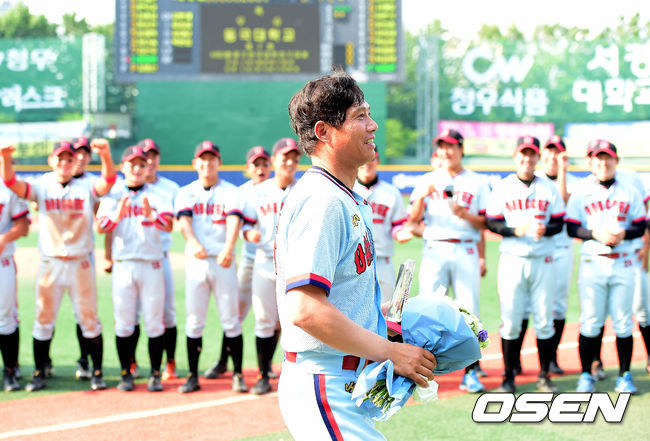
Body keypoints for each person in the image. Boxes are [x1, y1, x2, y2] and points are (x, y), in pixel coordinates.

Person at [276, 71, 435, 440]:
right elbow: (305, 309)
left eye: (369, 114)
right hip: (324, 381)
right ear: (324, 132)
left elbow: (336, 297)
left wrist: (382, 316)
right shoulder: (323, 200)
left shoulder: (342, 197)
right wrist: (390, 352)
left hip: (343, 381)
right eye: (360, 116)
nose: (372, 125)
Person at [0, 140, 116, 392]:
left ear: (75, 163)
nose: (64, 163)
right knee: (43, 319)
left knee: (89, 319)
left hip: (80, 262)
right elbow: (11, 183)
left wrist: (106, 155)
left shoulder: (85, 186)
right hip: (51, 262)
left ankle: (96, 373)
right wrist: (6, 159)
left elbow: (108, 181)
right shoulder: (42, 185)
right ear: (51, 161)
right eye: (60, 158)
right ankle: (39, 373)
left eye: (69, 159)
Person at [407, 129, 489, 393]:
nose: (446, 151)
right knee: (428, 310)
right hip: (435, 247)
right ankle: (425, 373)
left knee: (469, 310)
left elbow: (485, 223)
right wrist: (422, 195)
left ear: (461, 149)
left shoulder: (477, 182)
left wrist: (465, 215)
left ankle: (471, 372)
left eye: (451, 146)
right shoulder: (428, 179)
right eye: (441, 146)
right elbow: (412, 220)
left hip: (466, 248)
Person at [485, 136, 565, 394]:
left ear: (537, 157)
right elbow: (492, 222)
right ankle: (508, 377)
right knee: (510, 320)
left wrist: (546, 229)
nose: (527, 159)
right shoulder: (503, 187)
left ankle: (544, 375)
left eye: (532, 154)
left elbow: (559, 222)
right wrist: (513, 230)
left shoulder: (549, 188)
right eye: (523, 153)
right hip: (513, 259)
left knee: (544, 320)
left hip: (543, 260)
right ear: (515, 156)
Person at [566, 141, 646, 394]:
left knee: (623, 322)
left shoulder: (629, 191)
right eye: (598, 158)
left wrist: (624, 233)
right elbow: (571, 227)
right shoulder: (581, 191)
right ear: (590, 162)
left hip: (624, 261)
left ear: (616, 161)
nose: (603, 163)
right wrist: (595, 234)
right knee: (590, 321)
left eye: (608, 158)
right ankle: (586, 375)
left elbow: (640, 226)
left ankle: (624, 376)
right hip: (593, 261)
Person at [96, 146, 173, 392]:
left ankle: (155, 373)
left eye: (141, 164)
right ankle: (125, 373)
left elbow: (169, 225)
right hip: (124, 264)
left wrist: (153, 216)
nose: (138, 169)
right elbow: (100, 227)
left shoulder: (158, 194)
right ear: (123, 167)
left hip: (151, 264)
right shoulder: (113, 194)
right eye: (132, 165)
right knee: (124, 323)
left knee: (154, 323)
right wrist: (117, 216)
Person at [174, 141, 246, 393]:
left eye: (212, 158)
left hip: (222, 261)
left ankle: (238, 374)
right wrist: (192, 242)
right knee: (194, 321)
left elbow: (234, 220)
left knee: (231, 320)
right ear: (195, 163)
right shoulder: (186, 192)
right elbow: (184, 221)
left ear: (219, 162)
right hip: (197, 261)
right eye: (202, 159)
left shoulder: (230, 192)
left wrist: (229, 247)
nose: (207, 163)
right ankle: (192, 376)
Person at [204, 145, 272, 380]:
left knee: (273, 317)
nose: (260, 168)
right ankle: (224, 361)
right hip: (249, 261)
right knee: (235, 314)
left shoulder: (277, 190)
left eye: (264, 164)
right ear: (248, 168)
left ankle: (267, 366)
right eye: (256, 164)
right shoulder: (241, 193)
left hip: (274, 263)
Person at [241, 137, 301, 395]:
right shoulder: (258, 191)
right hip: (264, 263)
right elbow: (246, 224)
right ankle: (263, 374)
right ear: (274, 160)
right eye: (284, 157)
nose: (289, 162)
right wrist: (248, 233)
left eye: (294, 158)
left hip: (294, 265)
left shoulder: (303, 190)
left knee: (293, 321)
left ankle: (293, 373)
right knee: (264, 320)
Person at [530, 135, 579, 375]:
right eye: (549, 152)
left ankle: (551, 358)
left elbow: (562, 201)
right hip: (538, 250)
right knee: (529, 306)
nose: (552, 157)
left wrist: (563, 171)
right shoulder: (534, 181)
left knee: (558, 306)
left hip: (562, 250)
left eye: (557, 152)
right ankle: (516, 361)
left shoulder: (572, 182)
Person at [353, 150, 411, 303]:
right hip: (355, 259)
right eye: (364, 159)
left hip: (383, 260)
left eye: (372, 159)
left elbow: (397, 225)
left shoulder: (391, 192)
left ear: (377, 161)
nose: (367, 164)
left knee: (386, 307)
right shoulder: (348, 189)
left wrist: (400, 233)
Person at [0, 179, 29, 391]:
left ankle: (10, 370)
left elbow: (23, 226)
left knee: (5, 317)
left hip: (2, 261)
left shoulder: (8, 190)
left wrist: (4, 238)